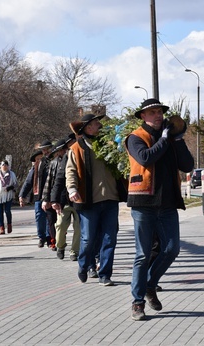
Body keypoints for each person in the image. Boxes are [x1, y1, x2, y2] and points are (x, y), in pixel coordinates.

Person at [125, 98, 194, 320]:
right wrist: (165, 139)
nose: (158, 116)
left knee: (172, 249)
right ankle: (137, 303)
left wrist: (178, 138)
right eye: (152, 112)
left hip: (167, 204)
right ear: (143, 116)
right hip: (143, 204)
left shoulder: (170, 139)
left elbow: (188, 166)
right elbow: (146, 158)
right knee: (142, 254)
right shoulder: (135, 138)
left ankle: (149, 285)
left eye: (160, 112)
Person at [66, 113, 127, 286]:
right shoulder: (76, 148)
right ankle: (83, 265)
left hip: (111, 198)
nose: (98, 125)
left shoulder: (109, 145)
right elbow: (70, 171)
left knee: (110, 238)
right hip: (88, 200)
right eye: (94, 123)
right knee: (88, 238)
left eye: (98, 123)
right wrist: (72, 189)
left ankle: (105, 274)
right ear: (86, 128)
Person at [50, 133, 81, 261]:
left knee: (79, 229)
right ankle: (60, 246)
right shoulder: (66, 158)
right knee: (61, 225)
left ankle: (74, 251)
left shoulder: (83, 154)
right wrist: (54, 200)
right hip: (65, 200)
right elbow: (58, 180)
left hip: (81, 200)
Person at [19, 140, 53, 247]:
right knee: (39, 216)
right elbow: (29, 181)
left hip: (52, 195)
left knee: (50, 217)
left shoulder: (55, 161)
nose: (45, 151)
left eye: (47, 149)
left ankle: (49, 238)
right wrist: (22, 195)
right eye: (43, 150)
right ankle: (41, 237)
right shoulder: (37, 165)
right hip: (39, 195)